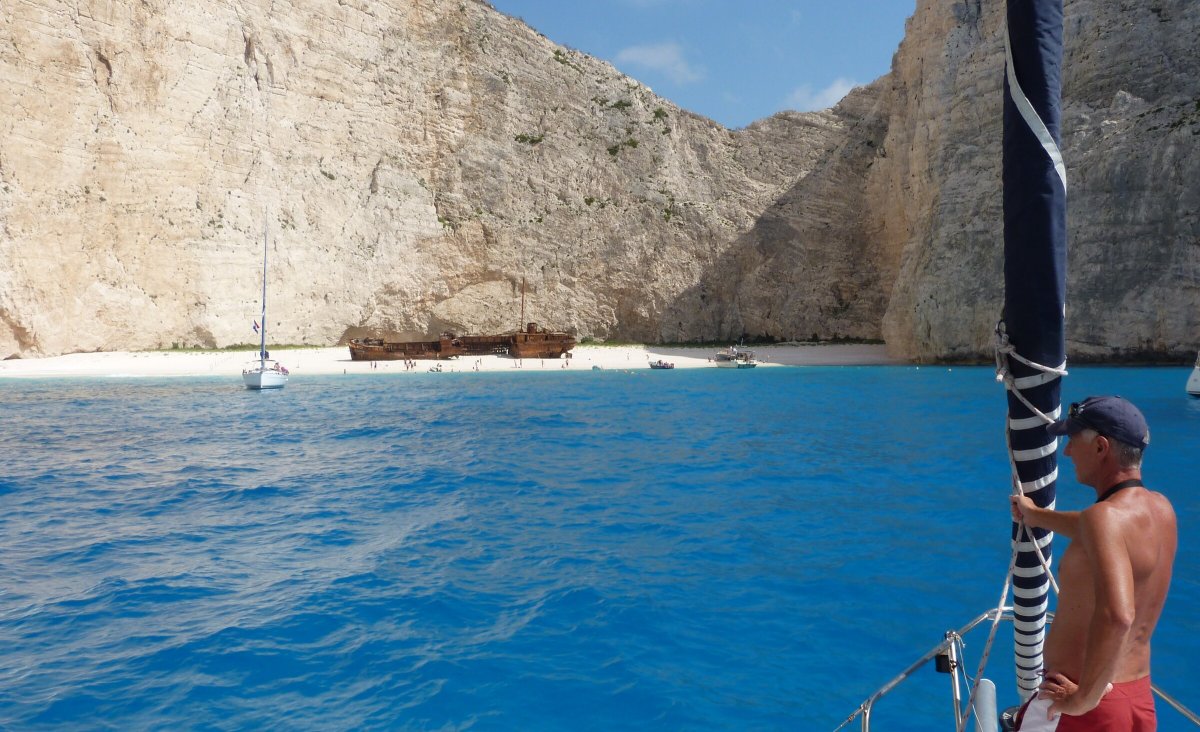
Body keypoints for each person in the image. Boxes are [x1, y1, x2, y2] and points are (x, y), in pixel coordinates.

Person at [1010, 396, 1176, 731]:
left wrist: (1083, 699)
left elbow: (1118, 616)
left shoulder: (1104, 519)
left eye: (1072, 440)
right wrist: (1037, 515)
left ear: (1101, 447)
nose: (1067, 452)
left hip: (1085, 705)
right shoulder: (1161, 511)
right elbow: (1094, 529)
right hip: (1136, 698)